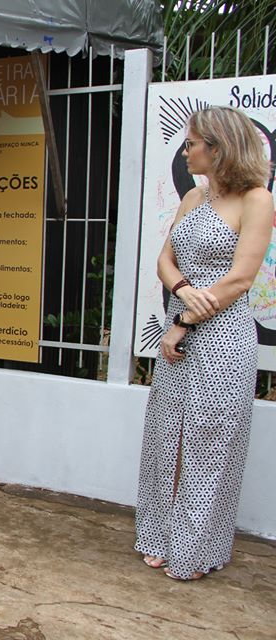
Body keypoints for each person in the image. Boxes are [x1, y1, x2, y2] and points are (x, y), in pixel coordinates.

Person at [135, 106, 273, 580]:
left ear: (218, 147)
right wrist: (179, 291)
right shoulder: (194, 197)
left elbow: (239, 280)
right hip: (183, 321)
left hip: (222, 338)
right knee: (165, 437)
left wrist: (183, 323)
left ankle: (194, 549)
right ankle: (158, 534)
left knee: (209, 442)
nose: (186, 150)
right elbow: (165, 259)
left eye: (192, 143)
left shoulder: (257, 199)